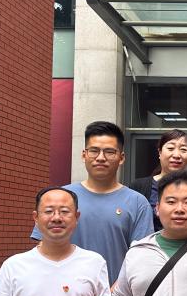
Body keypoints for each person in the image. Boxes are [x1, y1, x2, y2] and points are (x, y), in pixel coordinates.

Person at [32, 121, 153, 284]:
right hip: (63, 291)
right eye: (94, 151)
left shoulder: (137, 202)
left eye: (109, 152)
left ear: (121, 158)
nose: (101, 158)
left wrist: (114, 293)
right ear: (84, 155)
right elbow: (43, 247)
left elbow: (141, 257)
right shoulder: (61, 197)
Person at [129, 129, 187, 230]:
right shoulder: (138, 187)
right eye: (170, 148)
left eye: (183, 150)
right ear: (160, 152)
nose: (176, 155)